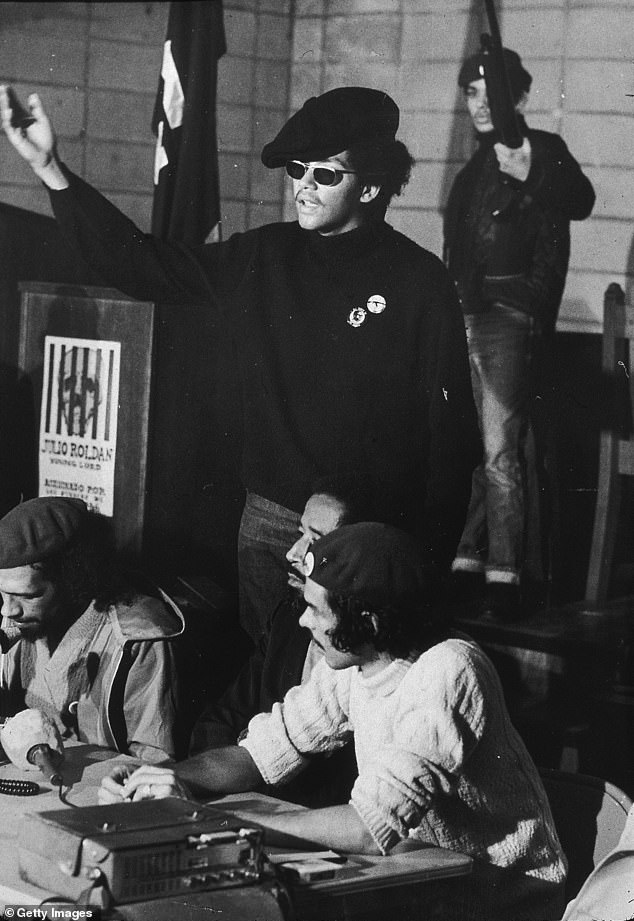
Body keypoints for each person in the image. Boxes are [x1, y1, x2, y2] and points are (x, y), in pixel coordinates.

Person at [0, 83, 480, 643]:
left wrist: (427, 564)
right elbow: (141, 264)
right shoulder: (265, 256)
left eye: (325, 174)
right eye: (297, 170)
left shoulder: (419, 281)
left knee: (351, 688)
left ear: (372, 187)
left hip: (364, 532)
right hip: (269, 522)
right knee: (270, 680)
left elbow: (449, 439)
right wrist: (52, 168)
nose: (303, 186)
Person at [99, 522, 566, 921]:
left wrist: (215, 822)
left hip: (501, 903)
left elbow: (368, 827)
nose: (303, 623)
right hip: (423, 883)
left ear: (370, 622)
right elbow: (261, 753)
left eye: (315, 611)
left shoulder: (449, 669)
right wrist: (168, 778)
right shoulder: (355, 665)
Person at [443, 48, 595, 621]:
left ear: (523, 100)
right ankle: (466, 564)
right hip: (465, 315)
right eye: (473, 93)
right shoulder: (469, 172)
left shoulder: (540, 153)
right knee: (474, 452)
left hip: (510, 319)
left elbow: (580, 200)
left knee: (501, 452)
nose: (481, 105)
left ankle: (505, 578)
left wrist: (529, 163)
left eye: (495, 93)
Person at [189, 478, 371, 806]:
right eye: (299, 534)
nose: (292, 553)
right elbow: (226, 720)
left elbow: (367, 819)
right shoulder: (291, 619)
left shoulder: (392, 665)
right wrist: (185, 780)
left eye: (314, 540)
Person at [0, 496, 183, 762]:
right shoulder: (19, 617)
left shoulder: (140, 638)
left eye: (29, 596)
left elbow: (156, 763)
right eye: (2, 594)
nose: (8, 611)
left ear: (72, 579)